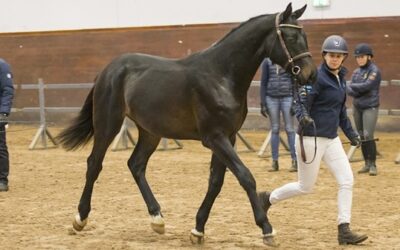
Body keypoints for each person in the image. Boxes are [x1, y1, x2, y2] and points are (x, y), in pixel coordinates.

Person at [258, 35, 368, 245]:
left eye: (339, 56)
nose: (335, 59)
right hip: (311, 139)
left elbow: (341, 112)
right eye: (331, 55)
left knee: (347, 181)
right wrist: (303, 118)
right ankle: (267, 198)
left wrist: (352, 134)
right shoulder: (315, 77)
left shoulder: (340, 79)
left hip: (332, 140)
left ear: (344, 58)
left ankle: (344, 229)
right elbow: (299, 103)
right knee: (305, 187)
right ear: (324, 56)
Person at [347, 43, 381, 176]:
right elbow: (349, 90)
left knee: (368, 135)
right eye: (357, 57)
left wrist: (354, 87)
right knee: (361, 136)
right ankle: (366, 163)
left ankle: (373, 164)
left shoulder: (374, 71)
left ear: (369, 57)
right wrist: (357, 88)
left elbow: (368, 86)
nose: (359, 59)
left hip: (370, 107)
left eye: (362, 56)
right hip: (358, 106)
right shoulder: (356, 72)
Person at [259, 58, 297, 172]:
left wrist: (295, 100)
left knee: (290, 129)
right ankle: (274, 161)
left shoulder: (289, 61)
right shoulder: (267, 62)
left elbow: (294, 82)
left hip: (287, 97)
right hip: (271, 98)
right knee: (275, 129)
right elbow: (264, 82)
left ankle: (295, 160)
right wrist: (263, 102)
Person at [0, 58, 14, 192]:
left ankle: (2, 179)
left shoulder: (2, 66)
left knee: (0, 147)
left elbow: (7, 90)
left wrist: (3, 113)